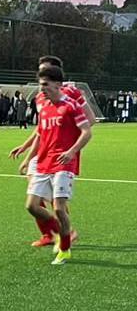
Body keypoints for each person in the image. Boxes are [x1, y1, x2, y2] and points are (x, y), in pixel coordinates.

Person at [10, 56, 95, 247]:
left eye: (46, 71)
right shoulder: (41, 97)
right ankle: (49, 232)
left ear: (56, 74)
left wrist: (68, 139)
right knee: (33, 191)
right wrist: (25, 147)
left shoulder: (71, 93)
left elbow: (90, 120)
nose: (42, 76)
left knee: (57, 201)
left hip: (61, 151)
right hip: (41, 149)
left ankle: (63, 230)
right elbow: (42, 127)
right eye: (40, 72)